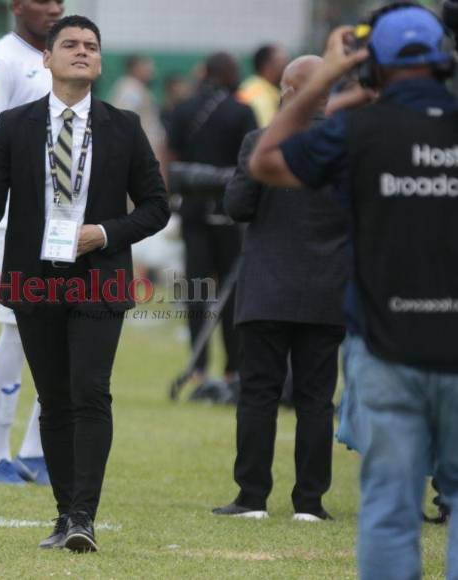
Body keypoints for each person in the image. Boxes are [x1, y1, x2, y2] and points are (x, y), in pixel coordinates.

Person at [248, 4, 458, 578]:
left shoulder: (357, 130)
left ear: (372, 65)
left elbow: (264, 161)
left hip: (389, 345)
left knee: (391, 507)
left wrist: (322, 81)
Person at [0, 15, 169, 552]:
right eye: (71, 45)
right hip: (33, 280)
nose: (82, 52)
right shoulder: (15, 124)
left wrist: (103, 233)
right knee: (53, 399)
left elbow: (156, 207)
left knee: (90, 392)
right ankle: (63, 514)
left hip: (99, 278)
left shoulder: (124, 125)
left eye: (92, 47)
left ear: (99, 62)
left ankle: (84, 516)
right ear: (47, 59)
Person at [214, 55, 349, 521]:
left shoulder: (261, 141)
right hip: (329, 288)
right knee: (316, 399)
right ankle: (309, 503)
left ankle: (251, 497)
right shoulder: (348, 147)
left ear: (288, 91)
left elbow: (237, 207)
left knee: (258, 394)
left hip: (266, 288)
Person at [0, 0, 65, 486]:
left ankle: (34, 451)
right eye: (43, 0)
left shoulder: (61, 60)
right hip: (17, 223)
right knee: (16, 331)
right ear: (15, 5)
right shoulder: (1, 61)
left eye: (59, 1)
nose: (54, 7)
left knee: (60, 331)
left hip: (64, 224)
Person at [168, 53, 257, 399]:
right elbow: (249, 160)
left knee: (196, 291)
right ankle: (233, 368)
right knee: (231, 293)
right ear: (231, 74)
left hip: (192, 210)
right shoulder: (241, 109)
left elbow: (171, 157)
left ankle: (198, 368)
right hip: (229, 210)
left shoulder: (183, 107)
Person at [108, 55, 166, 159]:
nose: (151, 71)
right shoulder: (131, 90)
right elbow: (123, 119)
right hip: (140, 152)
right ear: (135, 68)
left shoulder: (137, 88)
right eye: (147, 67)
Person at [238, 44, 290, 127]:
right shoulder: (259, 95)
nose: (287, 69)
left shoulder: (252, 86)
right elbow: (266, 131)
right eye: (283, 64)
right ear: (267, 67)